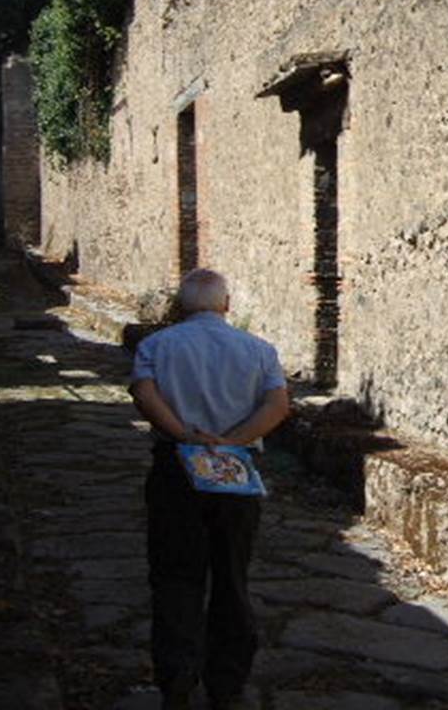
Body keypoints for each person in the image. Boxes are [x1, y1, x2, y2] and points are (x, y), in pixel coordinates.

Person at [129, 268, 289, 710]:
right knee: (231, 577)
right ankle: (227, 685)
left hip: (177, 468)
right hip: (235, 473)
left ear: (180, 306)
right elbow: (278, 404)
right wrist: (232, 442)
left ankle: (177, 681)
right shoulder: (259, 350)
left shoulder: (156, 346)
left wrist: (185, 434)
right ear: (227, 305)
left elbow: (144, 392)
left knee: (176, 577)